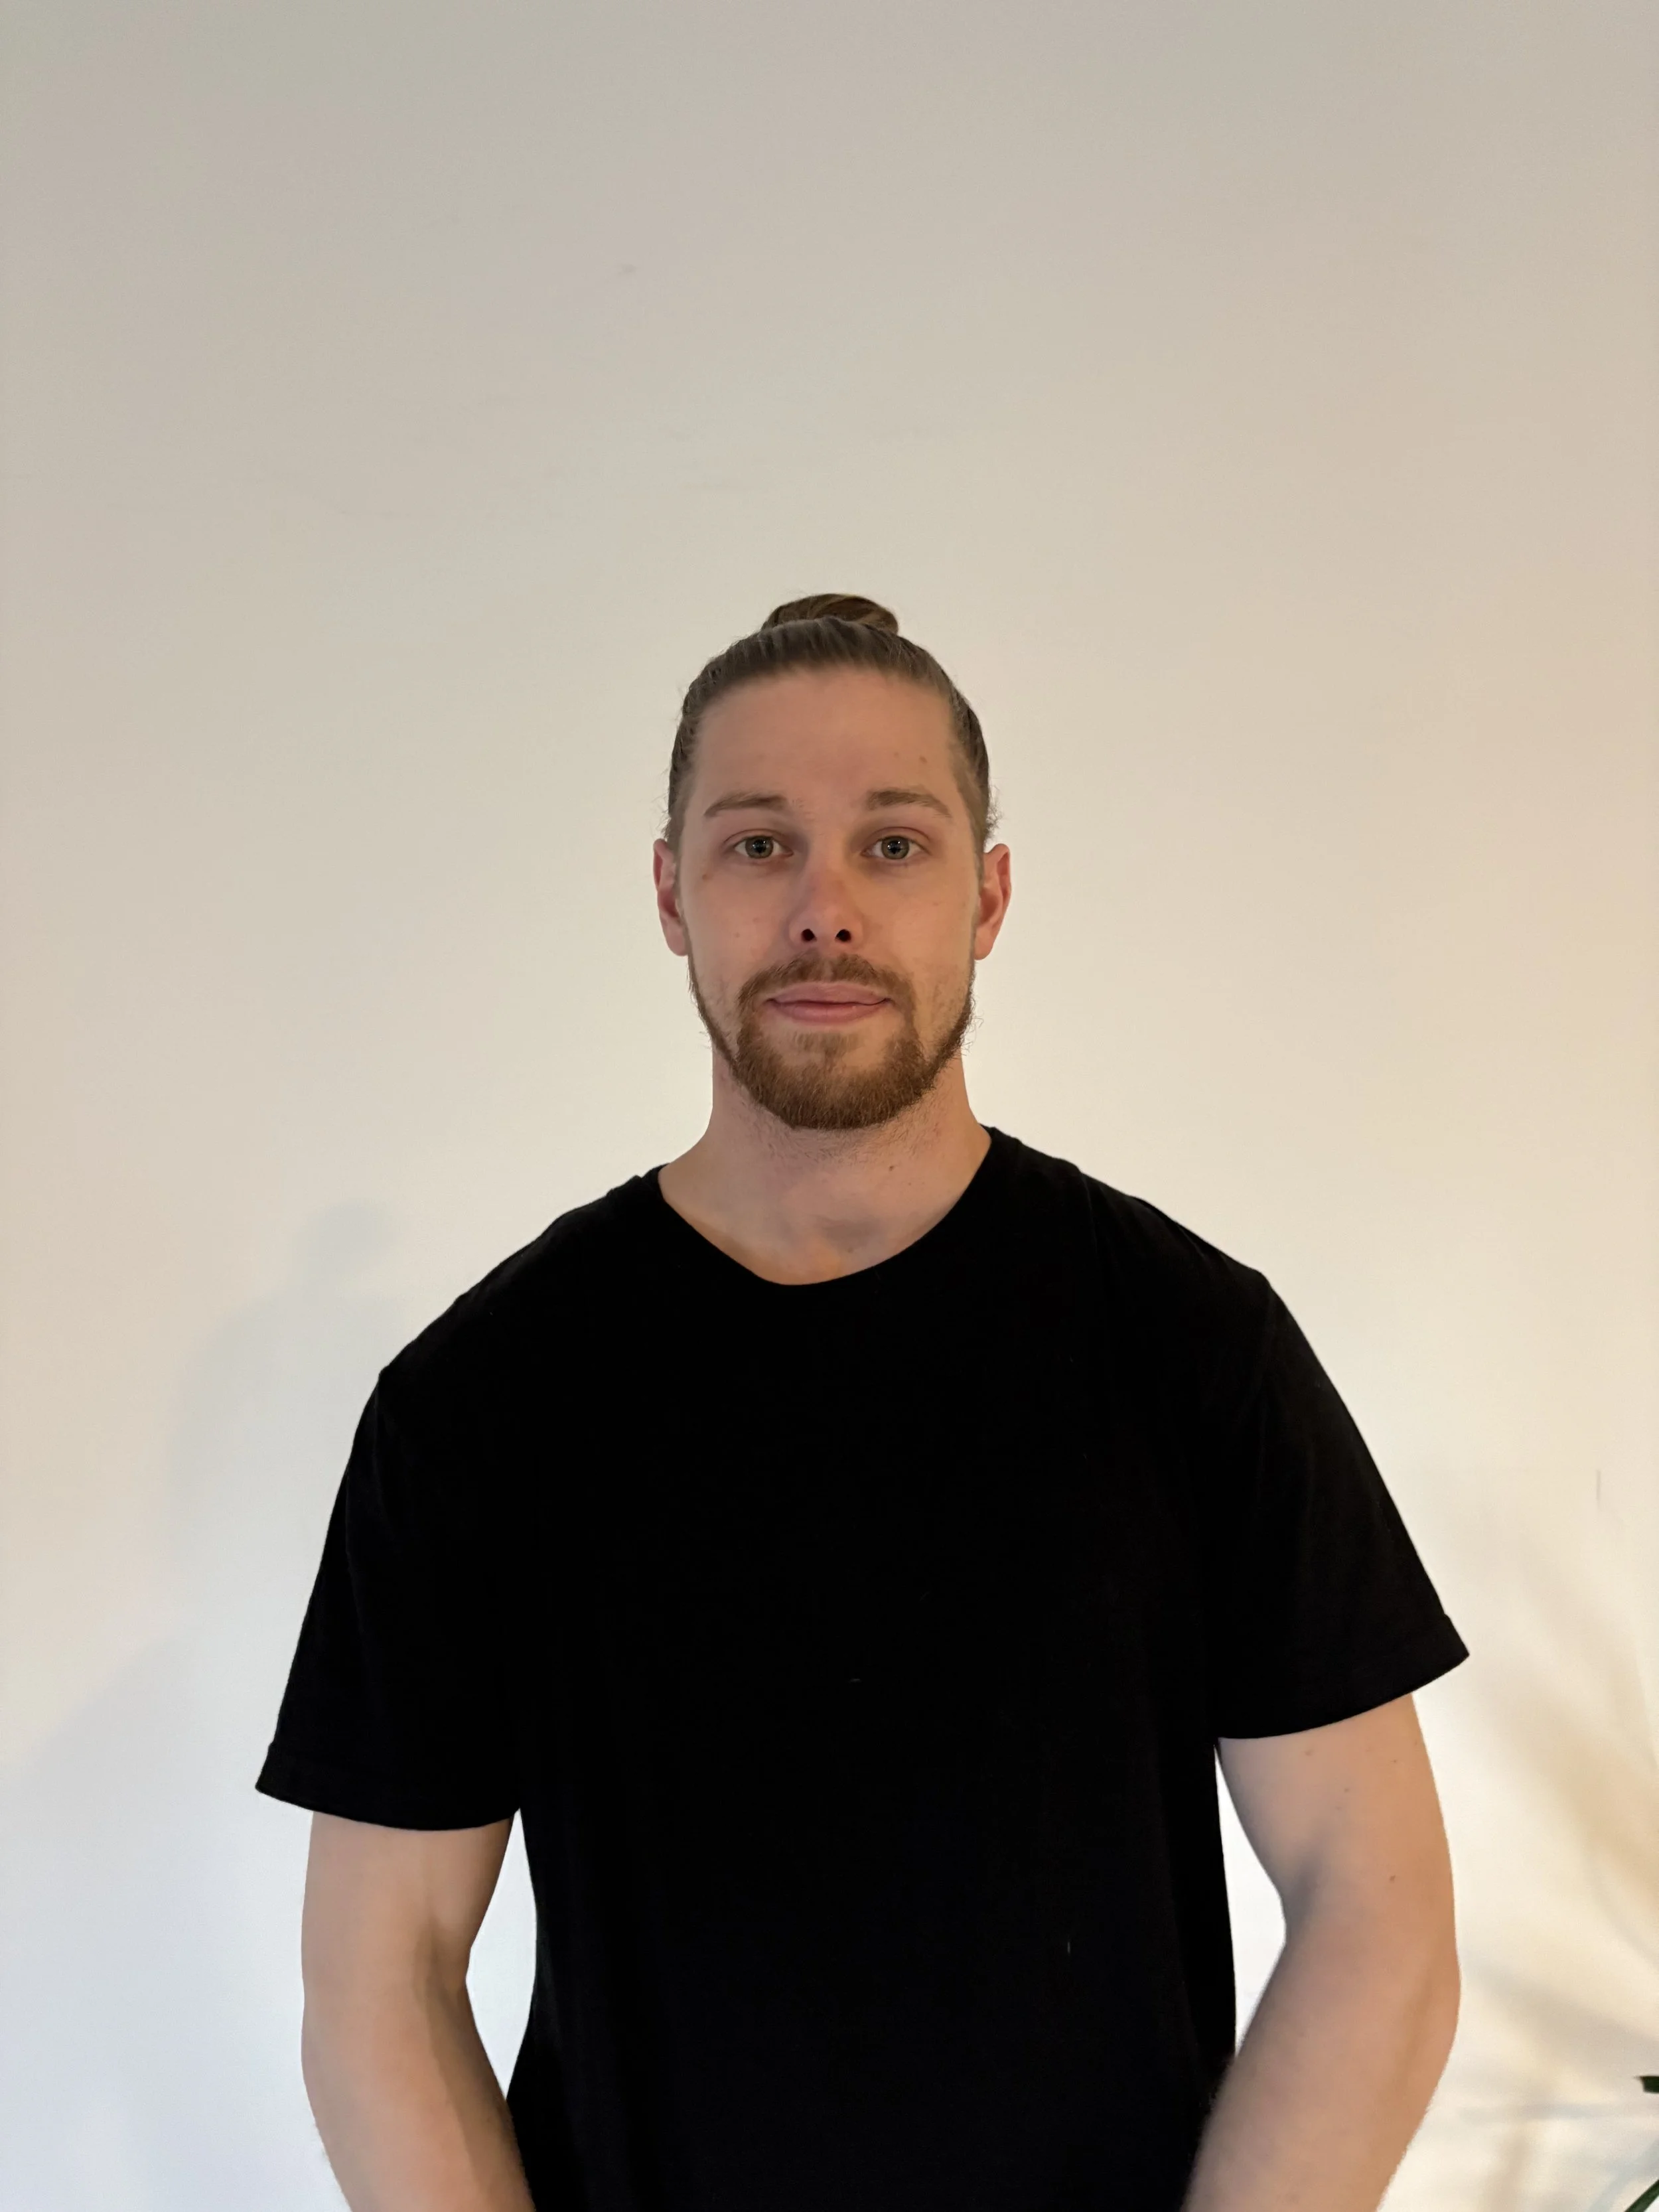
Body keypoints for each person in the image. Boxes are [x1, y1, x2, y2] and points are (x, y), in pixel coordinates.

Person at [257, 594, 1468, 2212]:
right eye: (757, 845)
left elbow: (1374, 1913)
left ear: (987, 895)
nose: (822, 908)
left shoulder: (1189, 1346)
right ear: (671, 896)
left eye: (890, 845)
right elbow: (377, 1975)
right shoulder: (482, 1403)